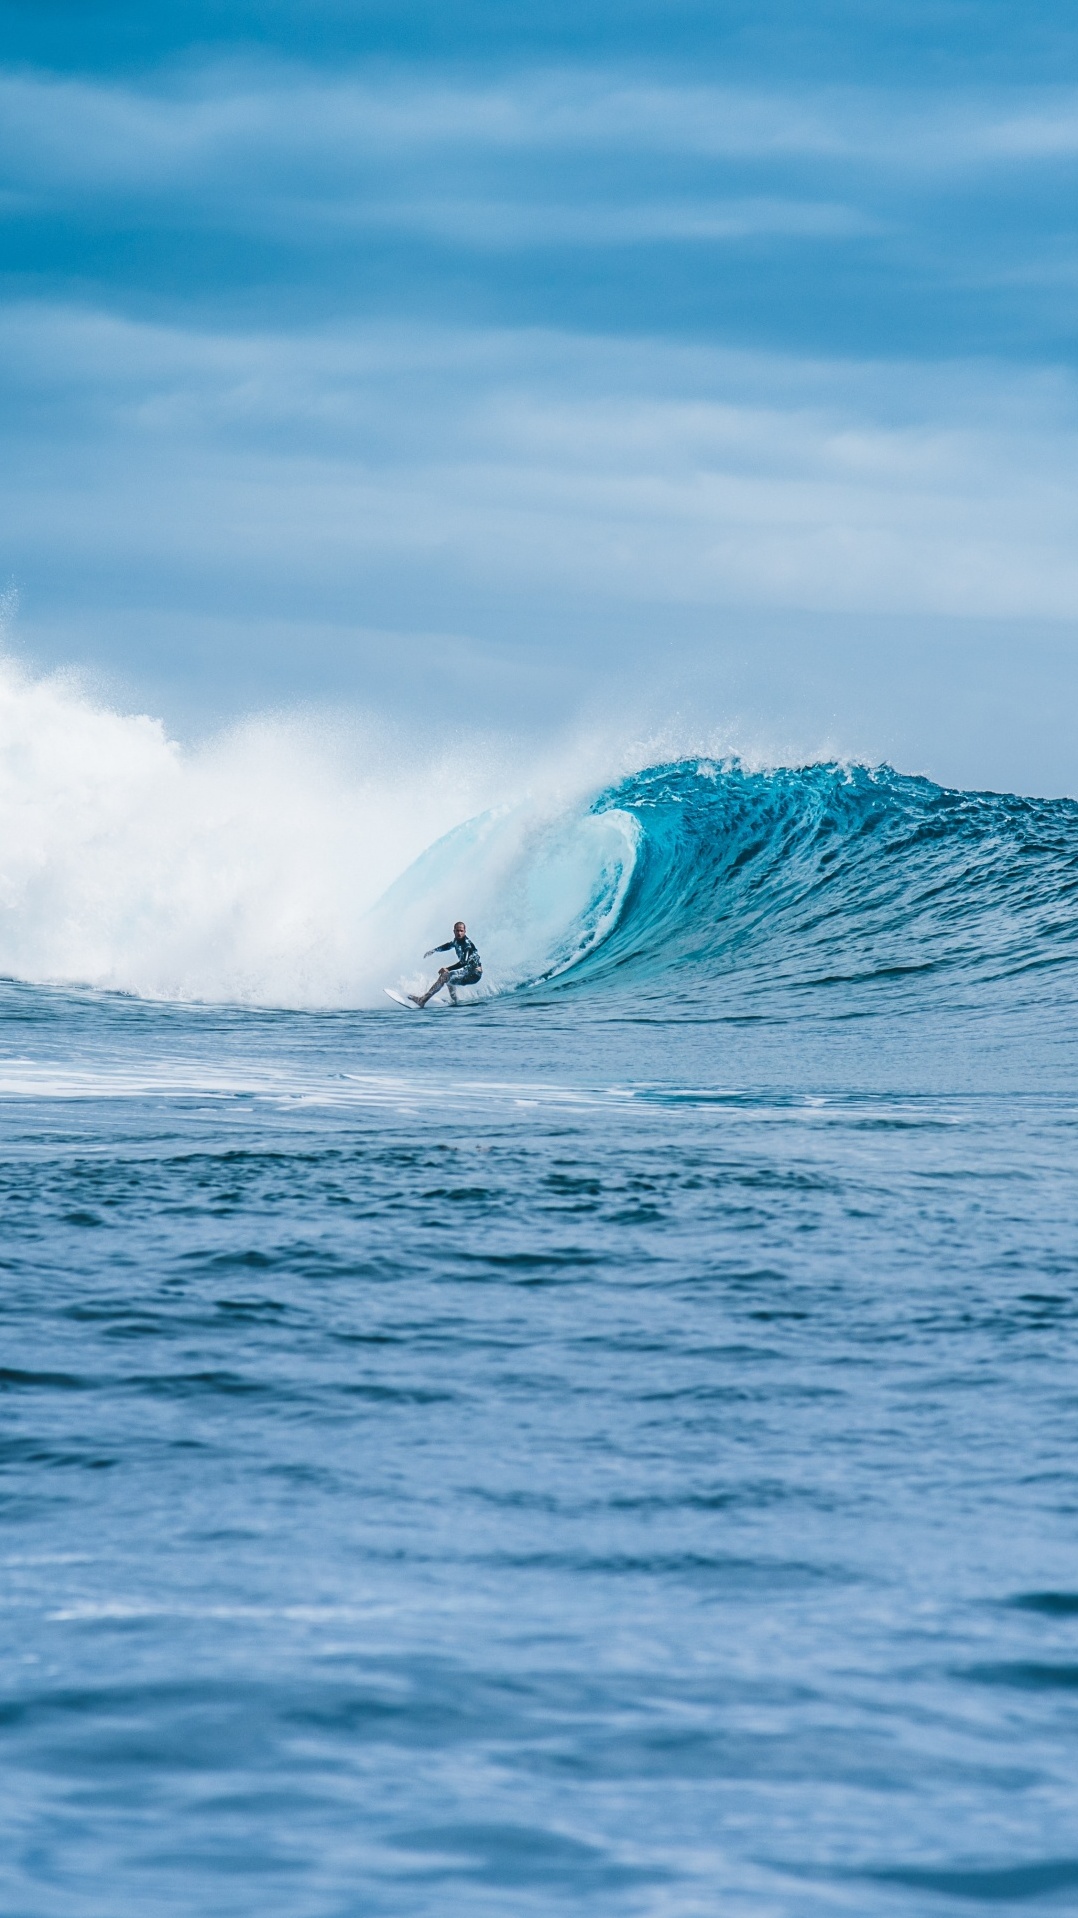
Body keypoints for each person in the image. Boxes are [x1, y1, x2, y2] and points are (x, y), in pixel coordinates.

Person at [410, 922, 483, 1007]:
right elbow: (448, 945)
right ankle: (455, 1002)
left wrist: (447, 969)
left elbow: (464, 962)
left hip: (474, 974)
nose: (459, 933)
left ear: (465, 931)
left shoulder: (467, 945)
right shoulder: (456, 941)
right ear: (454, 931)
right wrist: (434, 950)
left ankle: (422, 1000)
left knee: (445, 976)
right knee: (449, 979)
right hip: (468, 972)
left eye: (461, 931)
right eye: (457, 931)